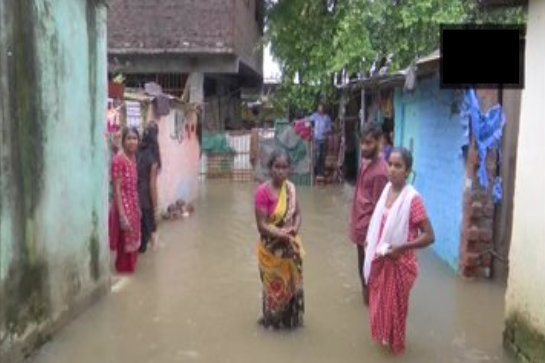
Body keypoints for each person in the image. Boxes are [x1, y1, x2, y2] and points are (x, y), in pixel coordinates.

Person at [364, 147, 435, 354]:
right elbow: (379, 223)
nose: (393, 169)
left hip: (400, 263)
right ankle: (383, 343)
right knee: (378, 306)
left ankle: (396, 350)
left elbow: (430, 236)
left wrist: (403, 248)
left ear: (408, 171)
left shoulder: (413, 199)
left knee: (396, 311)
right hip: (382, 259)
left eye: (398, 166)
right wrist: (371, 242)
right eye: (390, 164)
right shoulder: (386, 191)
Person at [254, 149, 305, 329]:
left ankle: (291, 323)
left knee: (292, 289)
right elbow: (262, 225)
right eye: (277, 166)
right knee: (273, 291)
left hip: (290, 250)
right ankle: (272, 324)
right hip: (271, 251)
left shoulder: (291, 189)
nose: (281, 171)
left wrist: (293, 231)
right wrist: (280, 234)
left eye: (284, 167)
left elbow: (298, 214)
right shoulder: (262, 192)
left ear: (289, 169)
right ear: (270, 168)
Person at [349, 123, 389, 306]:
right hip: (360, 225)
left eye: (369, 143)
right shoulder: (367, 163)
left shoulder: (381, 172)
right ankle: (369, 305)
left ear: (379, 142)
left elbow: (380, 210)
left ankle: (370, 308)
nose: (364, 147)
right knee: (362, 270)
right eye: (362, 143)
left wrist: (371, 238)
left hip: (368, 231)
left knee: (367, 272)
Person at [109, 127, 142, 274]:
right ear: (123, 141)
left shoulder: (133, 158)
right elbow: (116, 189)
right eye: (129, 138)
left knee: (134, 245)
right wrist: (122, 216)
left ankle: (130, 273)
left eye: (134, 138)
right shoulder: (118, 160)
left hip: (133, 206)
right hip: (123, 208)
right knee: (124, 247)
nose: (132, 141)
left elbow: (134, 187)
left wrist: (138, 208)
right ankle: (123, 273)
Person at [138, 123, 161, 253]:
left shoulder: (137, 152)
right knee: (152, 229)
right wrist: (156, 207)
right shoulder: (153, 158)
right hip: (146, 200)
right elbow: (152, 185)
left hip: (135, 198)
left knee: (141, 232)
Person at [309, 102, 332, 179]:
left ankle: (321, 173)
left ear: (324, 108)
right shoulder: (315, 116)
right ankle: (317, 172)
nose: (320, 108)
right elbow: (308, 120)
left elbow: (329, 129)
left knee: (323, 156)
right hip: (316, 139)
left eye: (321, 107)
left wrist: (326, 132)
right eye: (319, 107)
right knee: (317, 156)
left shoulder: (327, 118)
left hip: (324, 139)